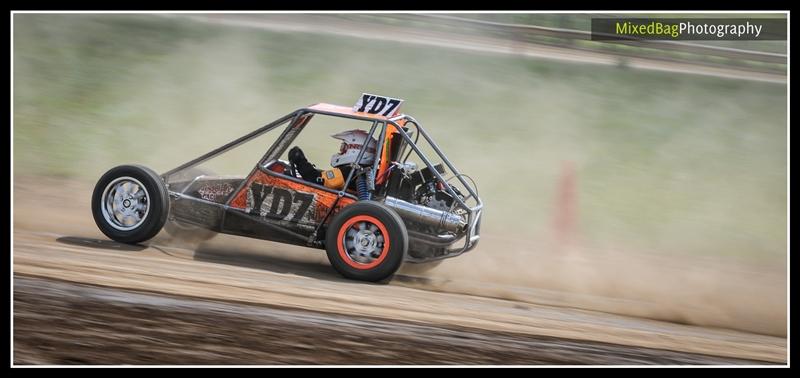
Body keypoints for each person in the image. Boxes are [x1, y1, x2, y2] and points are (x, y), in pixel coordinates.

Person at [288, 129, 378, 191]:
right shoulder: (365, 172)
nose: (341, 151)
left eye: (343, 147)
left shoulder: (350, 171)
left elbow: (315, 180)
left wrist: (300, 161)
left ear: (355, 149)